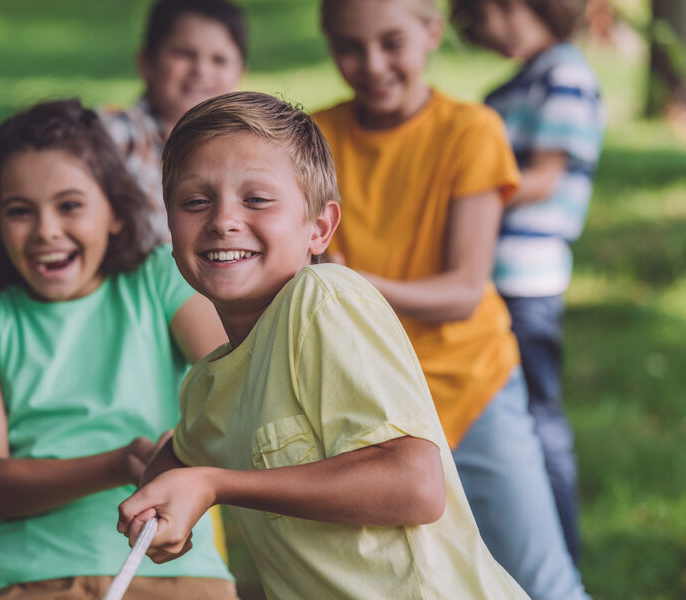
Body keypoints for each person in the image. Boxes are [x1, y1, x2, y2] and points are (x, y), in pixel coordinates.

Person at [117, 91, 529, 600]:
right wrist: (158, 503)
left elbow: (414, 485)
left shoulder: (322, 296)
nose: (223, 220)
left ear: (320, 227)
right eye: (195, 201)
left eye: (257, 199)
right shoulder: (207, 386)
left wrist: (216, 485)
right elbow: (176, 463)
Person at [311, 1, 590, 598]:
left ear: (432, 34)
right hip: (367, 398)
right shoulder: (316, 139)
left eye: (392, 43)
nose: (372, 64)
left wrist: (348, 283)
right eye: (349, 47)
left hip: (471, 383)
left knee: (541, 581)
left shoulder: (470, 131)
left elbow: (463, 291)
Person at [0, 99, 237, 600]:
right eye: (19, 211)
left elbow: (237, 380)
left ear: (116, 213)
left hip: (181, 571)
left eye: (69, 205)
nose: (47, 230)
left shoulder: (158, 278)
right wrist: (116, 465)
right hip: (34, 576)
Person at [450, 0, 605, 565]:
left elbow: (544, 175)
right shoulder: (510, 87)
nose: (479, 37)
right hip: (489, 277)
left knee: (537, 418)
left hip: (528, 278)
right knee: (505, 413)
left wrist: (466, 195)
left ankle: (558, 549)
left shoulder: (564, 75)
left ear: (508, 7)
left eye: (477, 23)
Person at [99, 0, 246, 248]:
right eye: (184, 54)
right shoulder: (112, 138)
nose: (201, 70)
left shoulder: (249, 147)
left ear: (240, 72)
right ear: (147, 62)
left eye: (219, 60)